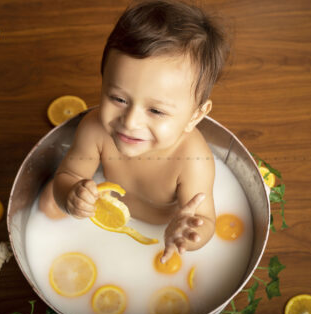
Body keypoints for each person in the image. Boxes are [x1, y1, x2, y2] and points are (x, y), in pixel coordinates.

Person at [39, 0, 229, 263]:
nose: (130, 122)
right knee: (47, 205)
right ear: (103, 82)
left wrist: (190, 231)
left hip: (158, 230)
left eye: (156, 111)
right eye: (119, 99)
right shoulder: (95, 130)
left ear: (195, 116)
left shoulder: (193, 160)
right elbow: (69, 175)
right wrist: (71, 196)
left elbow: (206, 219)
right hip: (104, 212)